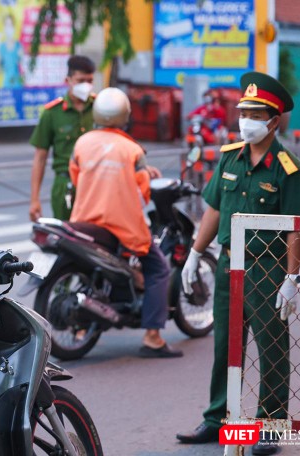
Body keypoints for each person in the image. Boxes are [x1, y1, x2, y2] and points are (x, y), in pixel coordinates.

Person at [176, 72, 300, 455]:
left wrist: (291, 278)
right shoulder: (229, 157)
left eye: (254, 113)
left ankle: (270, 425)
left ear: (272, 119)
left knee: (271, 348)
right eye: (243, 111)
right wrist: (195, 253)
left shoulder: (287, 169)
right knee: (225, 346)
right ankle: (219, 419)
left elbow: (295, 229)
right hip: (227, 267)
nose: (245, 119)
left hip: (266, 269)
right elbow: (214, 209)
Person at [69, 87, 183, 358]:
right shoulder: (132, 149)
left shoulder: (82, 143)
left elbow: (76, 176)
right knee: (157, 269)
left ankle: (82, 329)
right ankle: (153, 336)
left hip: (84, 220)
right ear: (125, 116)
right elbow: (143, 190)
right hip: (120, 224)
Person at [28, 55, 96, 222]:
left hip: (96, 184)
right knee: (66, 239)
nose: (86, 85)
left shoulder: (100, 108)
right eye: (81, 80)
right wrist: (34, 199)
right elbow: (40, 158)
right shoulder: (53, 113)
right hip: (65, 185)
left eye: (90, 80)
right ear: (69, 80)